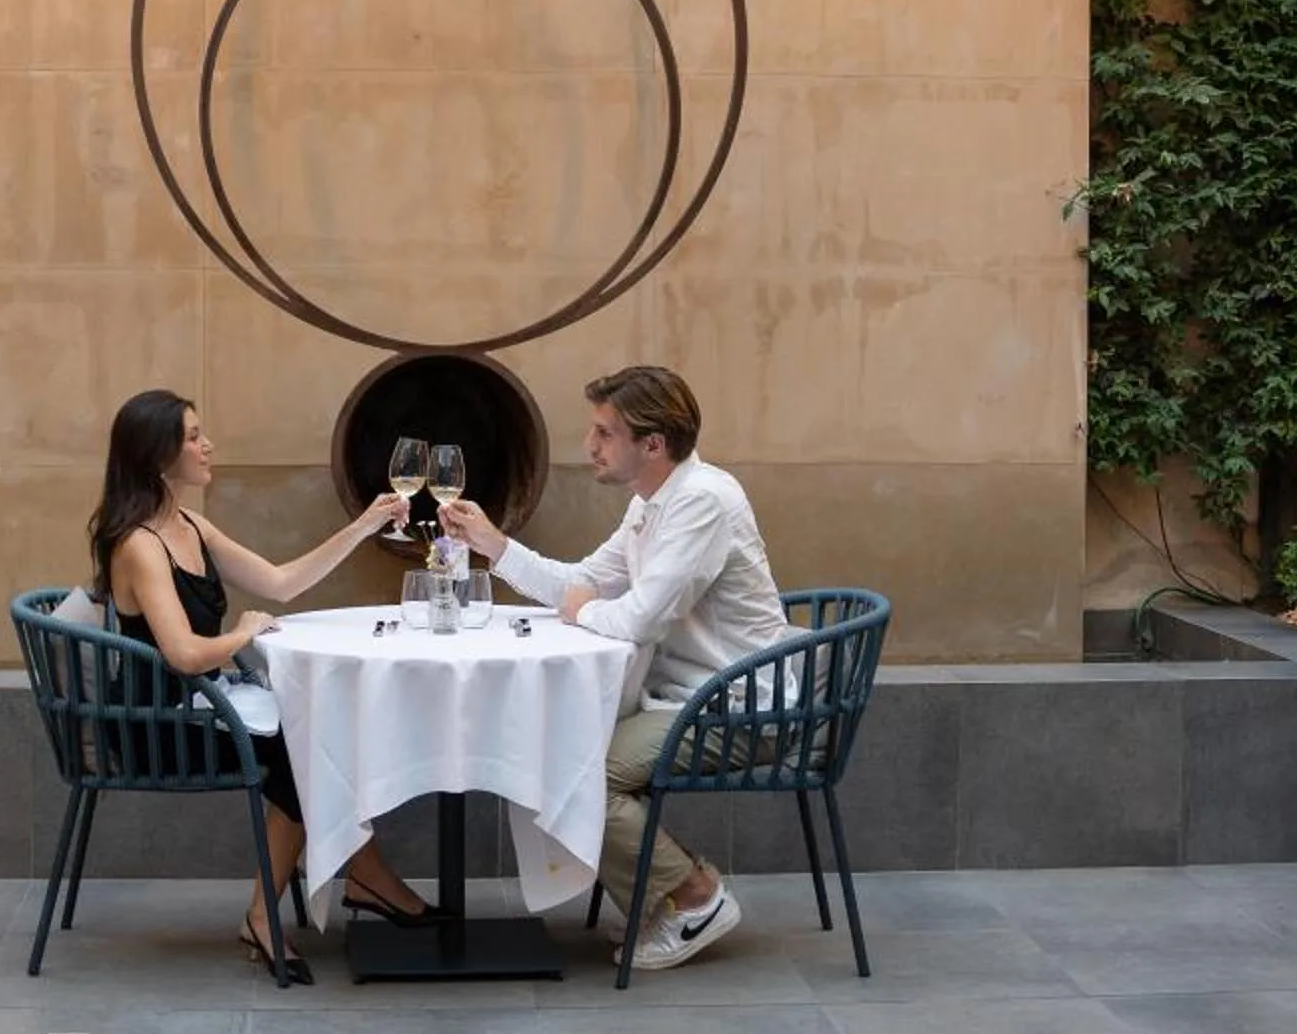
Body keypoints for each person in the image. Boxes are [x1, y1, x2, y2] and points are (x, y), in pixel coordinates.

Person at [439, 365, 787, 971]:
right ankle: (672, 896)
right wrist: (492, 545)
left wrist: (586, 609)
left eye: (604, 433)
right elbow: (583, 586)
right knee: (557, 754)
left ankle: (694, 897)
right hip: (686, 698)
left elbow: (641, 619)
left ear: (651, 444)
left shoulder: (702, 501)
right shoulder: (652, 503)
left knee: (576, 769)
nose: (589, 446)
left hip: (739, 707)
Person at [90, 389, 437, 984]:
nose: (208, 445)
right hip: (158, 721)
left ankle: (352, 884)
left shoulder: (190, 525)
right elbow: (183, 652)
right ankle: (316, 898)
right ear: (158, 453)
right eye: (194, 436)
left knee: (315, 737)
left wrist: (366, 524)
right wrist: (241, 634)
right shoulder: (140, 545)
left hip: (203, 704)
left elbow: (280, 583)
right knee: (303, 754)